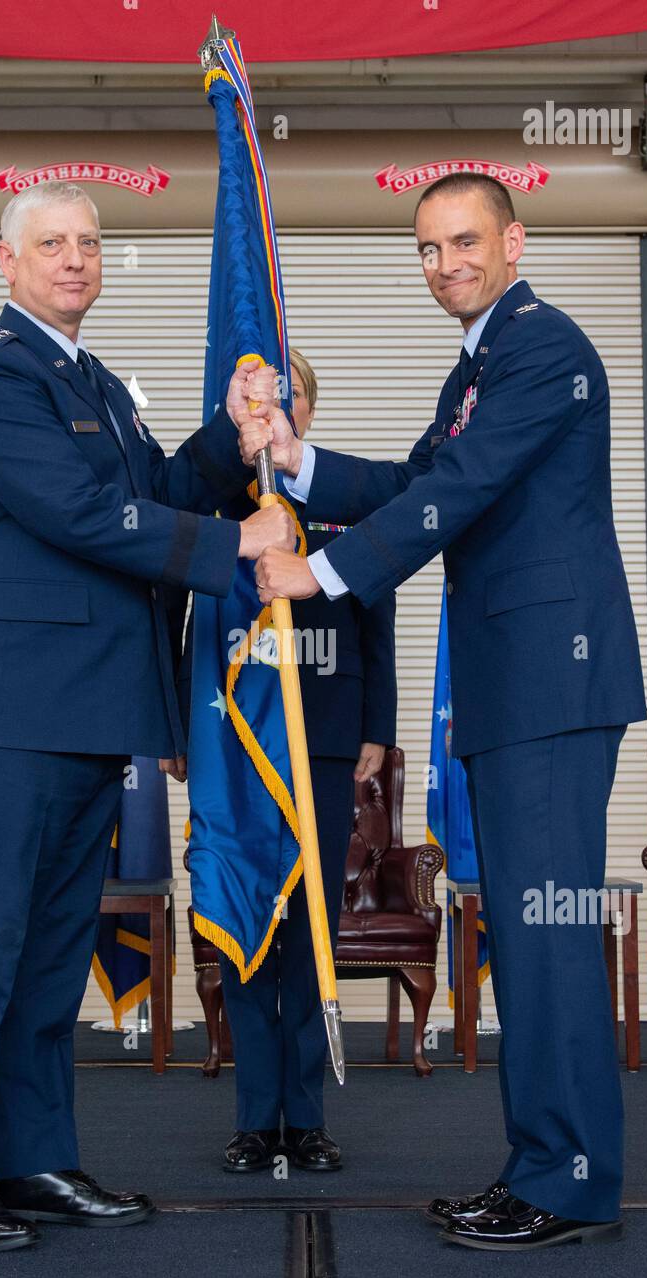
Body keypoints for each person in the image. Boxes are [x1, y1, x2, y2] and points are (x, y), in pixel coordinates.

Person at [241, 173, 647, 1251]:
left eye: (465, 240)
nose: (446, 263)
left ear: (513, 241)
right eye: (427, 248)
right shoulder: (478, 364)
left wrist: (316, 578)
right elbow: (414, 480)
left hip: (552, 689)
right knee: (524, 936)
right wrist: (296, 459)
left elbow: (450, 494)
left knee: (548, 939)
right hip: (517, 692)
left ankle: (566, 1184)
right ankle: (542, 1169)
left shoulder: (542, 348)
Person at [0, 180, 289, 1251]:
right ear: (8, 264)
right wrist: (233, 546)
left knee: (53, 949)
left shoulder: (97, 383)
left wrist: (231, 438)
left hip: (85, 716)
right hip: (1, 714)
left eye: (89, 243)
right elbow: (79, 513)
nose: (74, 259)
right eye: (51, 243)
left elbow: (152, 482)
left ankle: (32, 1160)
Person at [164, 349, 396, 1174]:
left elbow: (374, 611)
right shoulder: (213, 508)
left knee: (309, 932)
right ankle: (254, 1117)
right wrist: (174, 729)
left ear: (306, 411)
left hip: (324, 738)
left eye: (286, 394)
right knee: (241, 926)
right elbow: (170, 613)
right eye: (257, 393)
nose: (270, 404)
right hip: (230, 743)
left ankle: (307, 1118)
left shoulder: (338, 505)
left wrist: (377, 723)